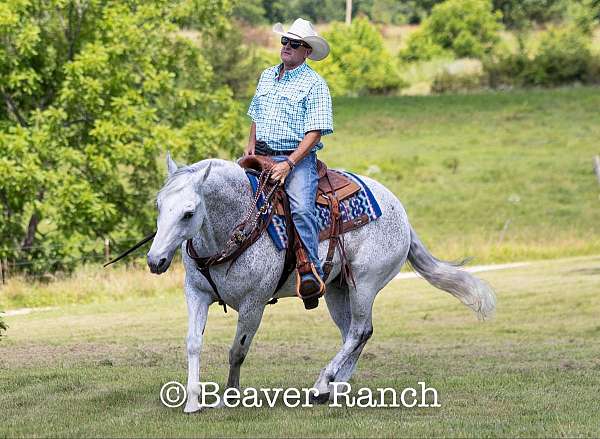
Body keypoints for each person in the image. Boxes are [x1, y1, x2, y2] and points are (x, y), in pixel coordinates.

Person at [245, 18, 333, 307]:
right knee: (233, 197)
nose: (287, 47)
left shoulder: (314, 84)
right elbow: (256, 114)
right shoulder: (267, 75)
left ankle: (310, 272)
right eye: (285, 41)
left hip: (296, 158)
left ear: (307, 51)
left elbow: (315, 131)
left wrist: (290, 164)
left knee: (301, 208)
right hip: (261, 154)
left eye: (295, 44)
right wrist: (249, 149)